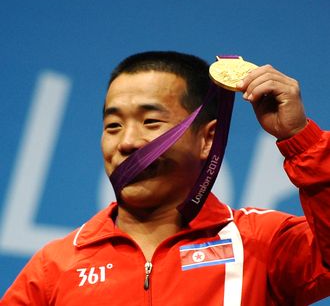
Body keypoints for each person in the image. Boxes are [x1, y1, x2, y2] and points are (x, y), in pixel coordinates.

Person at [1, 51, 329, 305]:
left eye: (151, 122)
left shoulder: (262, 243)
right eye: (113, 126)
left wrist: (301, 139)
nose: (126, 142)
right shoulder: (55, 266)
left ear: (207, 140)